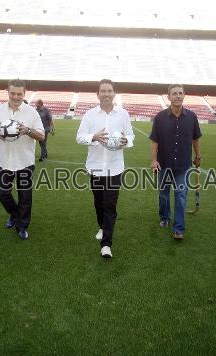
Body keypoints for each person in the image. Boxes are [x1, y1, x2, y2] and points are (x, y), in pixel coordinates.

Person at [76, 79, 134, 258]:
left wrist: (126, 141)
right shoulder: (90, 115)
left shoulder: (123, 114)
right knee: (98, 203)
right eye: (103, 91)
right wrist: (93, 137)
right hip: (94, 167)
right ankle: (102, 226)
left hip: (115, 168)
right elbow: (79, 137)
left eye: (109, 91)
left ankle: (106, 244)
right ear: (98, 94)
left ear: (114, 93)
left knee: (110, 204)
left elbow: (131, 135)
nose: (106, 94)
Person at [0, 79, 45, 240]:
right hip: (3, 161)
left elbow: (41, 135)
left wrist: (27, 130)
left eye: (19, 94)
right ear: (8, 92)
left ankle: (22, 226)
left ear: (24, 94)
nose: (16, 97)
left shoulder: (32, 112)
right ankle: (15, 214)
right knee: (1, 192)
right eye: (13, 93)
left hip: (24, 161)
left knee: (25, 196)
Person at [149, 84, 202, 240]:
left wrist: (198, 155)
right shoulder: (159, 118)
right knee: (164, 195)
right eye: (174, 93)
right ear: (169, 97)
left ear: (184, 95)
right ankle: (164, 217)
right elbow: (154, 141)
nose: (177, 96)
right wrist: (153, 160)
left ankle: (179, 229)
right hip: (163, 164)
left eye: (180, 93)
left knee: (180, 196)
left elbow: (195, 138)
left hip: (183, 166)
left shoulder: (192, 117)